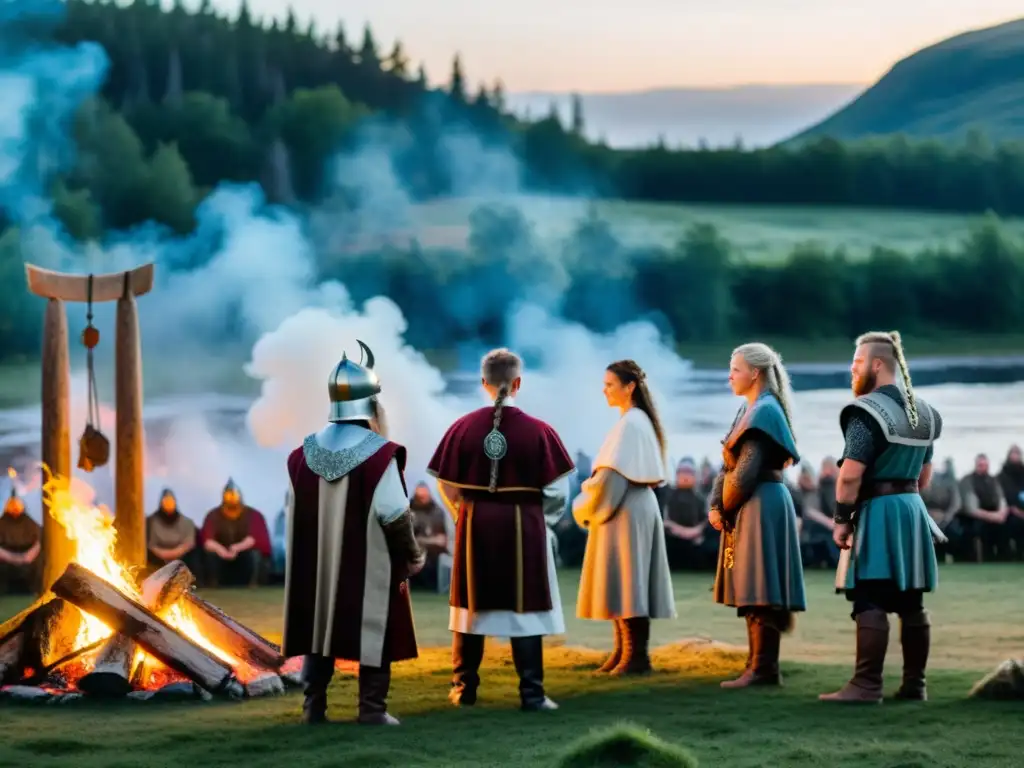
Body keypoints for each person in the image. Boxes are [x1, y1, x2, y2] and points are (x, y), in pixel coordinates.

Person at [283, 341, 425, 725]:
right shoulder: (380, 454)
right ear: (371, 404)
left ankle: (314, 709)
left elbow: (292, 512)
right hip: (370, 567)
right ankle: (372, 711)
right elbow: (396, 515)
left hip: (316, 568)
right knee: (375, 632)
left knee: (318, 632)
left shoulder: (301, 455)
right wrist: (412, 557)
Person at [427, 348, 574, 712]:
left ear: (484, 383)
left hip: (475, 526)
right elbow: (557, 492)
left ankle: (464, 690)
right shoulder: (540, 431)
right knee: (524, 611)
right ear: (518, 382)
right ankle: (532, 695)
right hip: (524, 528)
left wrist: (465, 513)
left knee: (469, 610)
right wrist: (542, 522)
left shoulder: (461, 428)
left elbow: (445, 485)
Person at [820, 330, 944, 704]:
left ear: (877, 364)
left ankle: (866, 686)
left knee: (869, 597)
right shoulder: (924, 412)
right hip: (911, 509)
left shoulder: (866, 410)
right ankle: (914, 685)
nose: (851, 369)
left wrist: (842, 519)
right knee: (911, 601)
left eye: (856, 362)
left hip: (879, 510)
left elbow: (850, 474)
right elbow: (925, 476)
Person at [708, 342, 806, 689]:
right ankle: (757, 666)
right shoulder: (750, 409)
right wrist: (716, 504)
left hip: (760, 501)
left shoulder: (764, 411)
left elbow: (745, 473)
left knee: (761, 586)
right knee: (751, 585)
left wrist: (724, 506)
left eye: (735, 369)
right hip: (751, 503)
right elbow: (729, 466)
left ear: (755, 373)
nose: (730, 376)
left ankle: (764, 669)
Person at [574, 359, 676, 675]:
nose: (603, 390)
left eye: (609, 385)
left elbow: (609, 481)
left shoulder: (631, 424)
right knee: (623, 582)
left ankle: (635, 657)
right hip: (629, 508)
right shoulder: (634, 421)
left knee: (629, 583)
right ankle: (623, 653)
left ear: (628, 387)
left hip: (625, 510)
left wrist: (582, 502)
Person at [200, 479, 272, 587]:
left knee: (254, 555)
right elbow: (208, 541)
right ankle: (213, 585)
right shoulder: (213, 515)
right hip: (221, 555)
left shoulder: (253, 514)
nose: (231, 497)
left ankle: (252, 585)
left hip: (244, 555)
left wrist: (236, 548)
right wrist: (221, 550)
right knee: (210, 556)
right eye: (228, 494)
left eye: (234, 494)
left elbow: (253, 539)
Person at [663, 458, 717, 570]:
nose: (685, 476)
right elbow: (665, 521)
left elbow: (705, 522)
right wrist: (682, 532)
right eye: (682, 472)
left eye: (689, 472)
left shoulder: (701, 498)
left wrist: (694, 532)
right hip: (672, 541)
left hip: (696, 541)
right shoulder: (667, 496)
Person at [958, 454, 1009, 562]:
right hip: (973, 517)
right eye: (980, 465)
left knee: (1007, 526)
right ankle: (983, 559)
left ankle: (1004, 559)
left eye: (985, 465)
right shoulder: (967, 480)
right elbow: (971, 509)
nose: (983, 467)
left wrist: (1002, 513)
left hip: (994, 514)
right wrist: (993, 517)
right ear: (976, 465)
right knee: (979, 529)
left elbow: (1001, 499)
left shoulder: (993, 480)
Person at [145, 488, 200, 575]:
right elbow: (150, 544)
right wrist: (163, 554)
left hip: (182, 556)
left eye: (170, 501)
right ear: (161, 502)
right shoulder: (150, 522)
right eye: (165, 501)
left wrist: (176, 553)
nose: (168, 504)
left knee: (195, 555)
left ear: (175, 502)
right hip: (158, 557)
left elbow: (189, 543)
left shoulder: (187, 522)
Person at [409, 482, 449, 591]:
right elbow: (409, 539)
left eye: (425, 496)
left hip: (433, 555)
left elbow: (442, 540)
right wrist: (431, 540)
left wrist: (426, 540)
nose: (423, 499)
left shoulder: (438, 512)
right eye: (420, 496)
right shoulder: (408, 512)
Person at [0, 487, 41, 594]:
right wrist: (12, 558)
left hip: (29, 557)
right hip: (5, 559)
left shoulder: (29, 522)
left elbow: (39, 542)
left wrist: (27, 557)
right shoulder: (2, 523)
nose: (14, 507)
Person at [997, 445, 1024, 560]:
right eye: (1013, 453)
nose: (1015, 456)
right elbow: (1001, 496)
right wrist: (1014, 510)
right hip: (1010, 511)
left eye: (1017, 453)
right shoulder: (1002, 476)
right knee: (1013, 523)